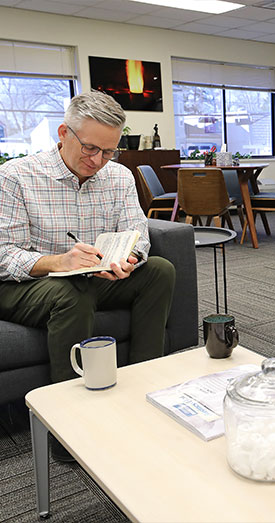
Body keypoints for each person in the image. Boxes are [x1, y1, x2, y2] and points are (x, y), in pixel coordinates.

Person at [0, 90, 176, 458]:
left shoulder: (119, 176)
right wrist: (57, 262)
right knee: (69, 294)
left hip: (93, 278)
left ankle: (144, 389)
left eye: (109, 151)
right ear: (64, 133)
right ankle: (69, 429)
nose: (98, 160)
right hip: (30, 284)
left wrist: (128, 257)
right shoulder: (16, 176)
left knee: (159, 271)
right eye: (90, 148)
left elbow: (137, 231)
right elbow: (4, 255)